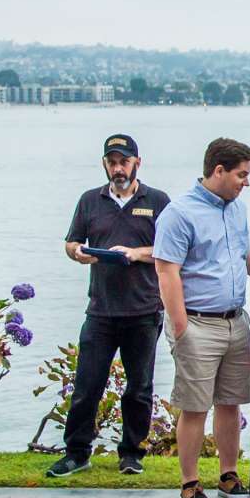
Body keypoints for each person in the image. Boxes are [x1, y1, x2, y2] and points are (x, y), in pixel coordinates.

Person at [51, 134, 170, 478]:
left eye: (124, 162)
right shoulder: (90, 200)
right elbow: (72, 242)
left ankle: (132, 453)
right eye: (112, 162)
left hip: (144, 310)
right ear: (105, 163)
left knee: (139, 387)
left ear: (137, 163)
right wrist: (77, 253)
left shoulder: (158, 201)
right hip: (100, 311)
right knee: (87, 384)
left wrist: (135, 253)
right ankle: (76, 452)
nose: (118, 169)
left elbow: (171, 249)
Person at [155, 138, 250, 498]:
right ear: (219, 171)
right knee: (195, 406)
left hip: (235, 322)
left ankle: (228, 474)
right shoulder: (178, 213)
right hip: (197, 323)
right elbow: (166, 270)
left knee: (231, 403)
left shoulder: (237, 210)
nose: (245, 182)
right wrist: (181, 327)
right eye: (241, 175)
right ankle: (189, 482)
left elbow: (245, 256)